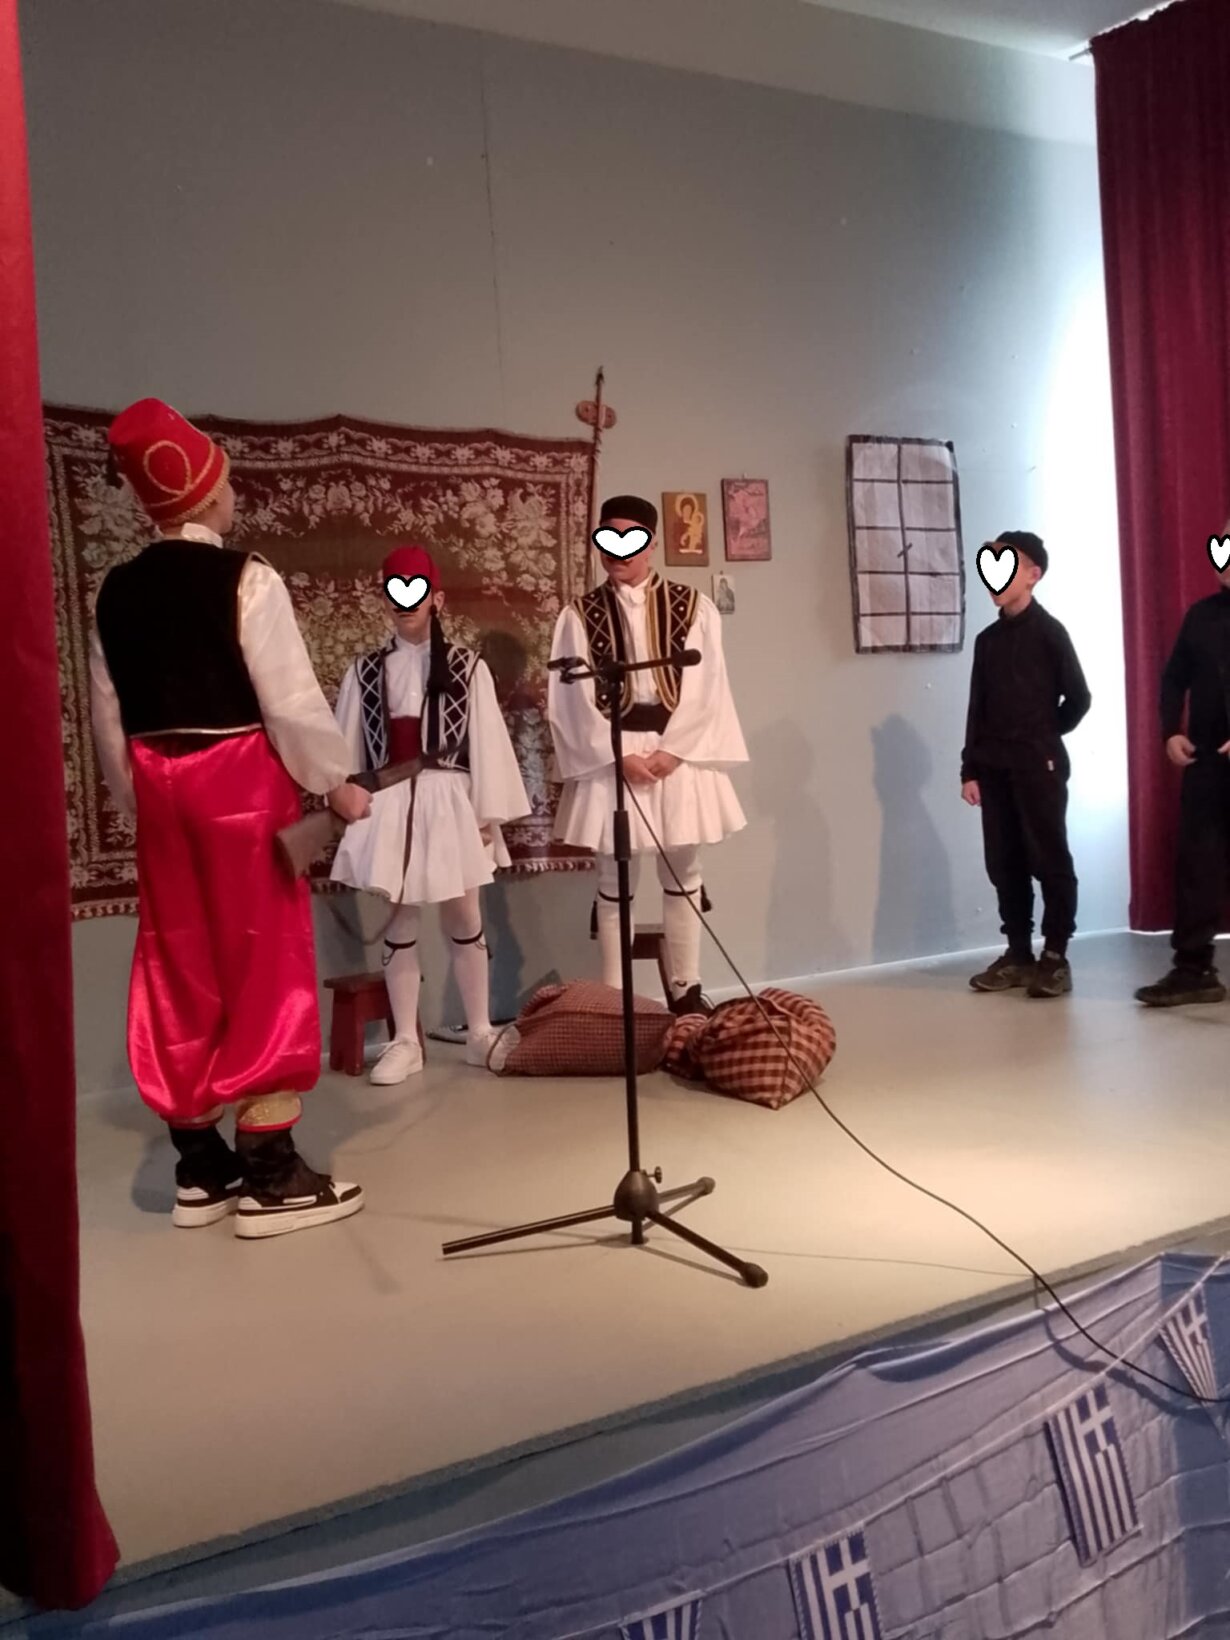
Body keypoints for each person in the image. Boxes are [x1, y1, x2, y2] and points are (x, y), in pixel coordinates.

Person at [89, 398, 370, 1237]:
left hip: (159, 786)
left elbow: (108, 716)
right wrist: (335, 783)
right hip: (238, 783)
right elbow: (289, 700)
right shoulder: (249, 578)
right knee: (261, 958)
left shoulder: (115, 590)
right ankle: (272, 1174)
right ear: (209, 495)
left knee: (177, 960)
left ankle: (198, 1165)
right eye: (227, 482)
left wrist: (138, 800)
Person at [331, 545, 531, 1081]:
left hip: (450, 801)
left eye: (415, 590)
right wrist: (347, 799)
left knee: (464, 917)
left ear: (435, 598)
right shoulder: (365, 671)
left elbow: (486, 742)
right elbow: (347, 748)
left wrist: (486, 818)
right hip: (390, 802)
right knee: (399, 921)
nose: (405, 602)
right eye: (395, 591)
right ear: (384, 599)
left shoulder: (467, 667)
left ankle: (479, 1031)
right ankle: (405, 1040)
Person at [548, 494, 747, 1015]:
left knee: (683, 869)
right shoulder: (578, 614)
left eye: (630, 539)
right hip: (613, 750)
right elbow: (568, 696)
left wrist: (675, 751)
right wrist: (615, 753)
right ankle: (616, 997)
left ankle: (686, 988)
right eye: (607, 539)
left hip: (673, 747)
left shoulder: (693, 605)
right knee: (613, 876)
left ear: (651, 544)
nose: (618, 551)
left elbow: (708, 684)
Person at [961, 530, 1091, 999]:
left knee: (1049, 857)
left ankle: (1055, 956)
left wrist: (1043, 736)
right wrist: (969, 768)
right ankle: (1018, 953)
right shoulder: (987, 641)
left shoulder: (1050, 633)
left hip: (1039, 765)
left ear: (1033, 574)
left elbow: (1079, 698)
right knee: (1004, 861)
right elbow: (977, 708)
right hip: (994, 767)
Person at [1136, 523, 1230, 1006]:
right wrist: (1170, 731)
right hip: (1207, 760)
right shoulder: (1201, 616)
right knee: (1197, 865)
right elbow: (1174, 679)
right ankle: (1193, 970)